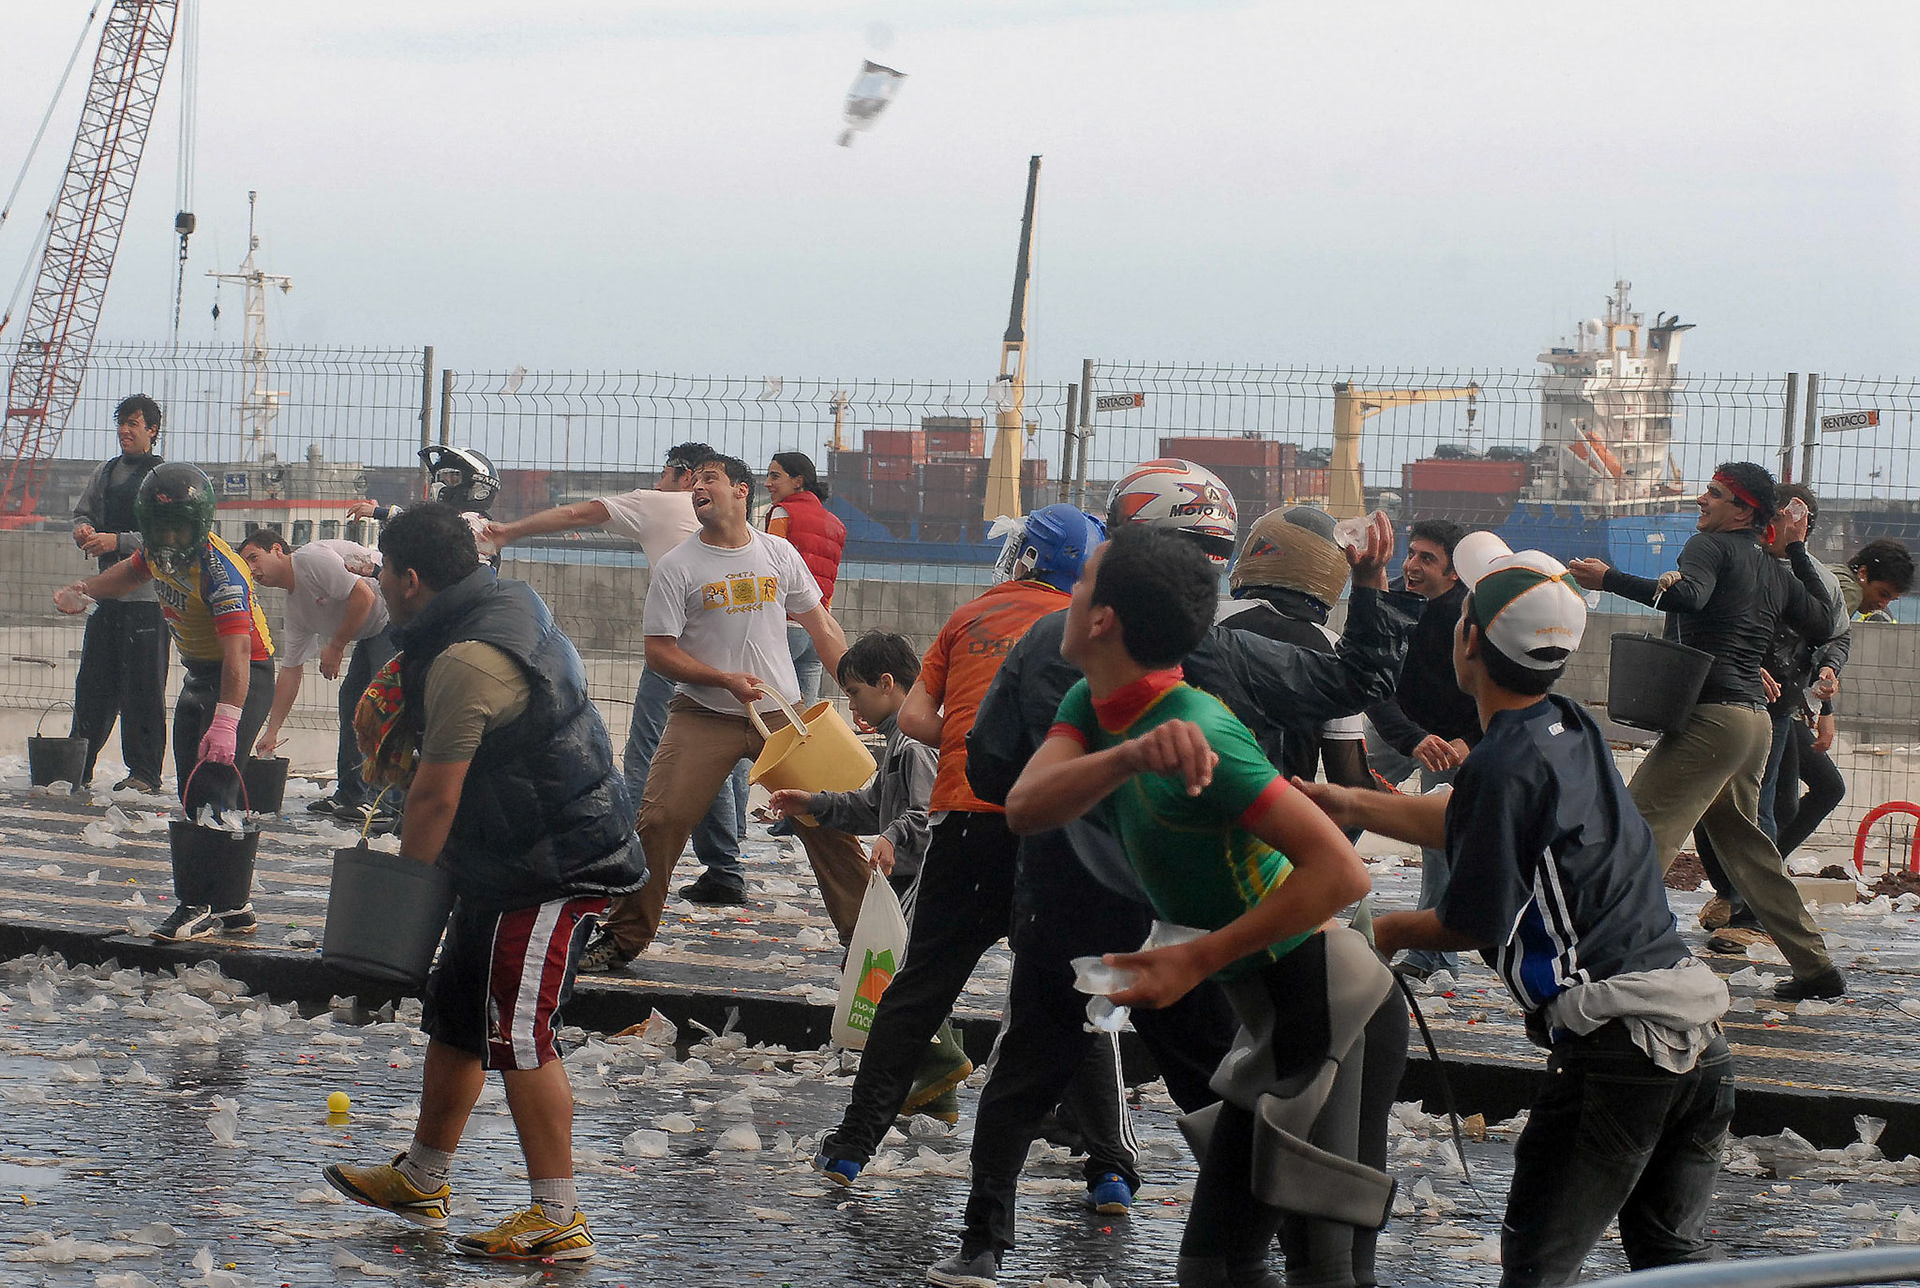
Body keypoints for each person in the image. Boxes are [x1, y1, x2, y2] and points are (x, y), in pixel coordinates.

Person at [935, 471, 1414, 1288]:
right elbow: (1020, 800)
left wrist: (1194, 957)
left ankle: (985, 1238)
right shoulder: (1109, 692)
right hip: (1197, 950)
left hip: (1292, 985)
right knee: (1228, 1186)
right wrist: (1121, 761)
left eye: (1084, 577)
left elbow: (1342, 872)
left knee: (1312, 1248)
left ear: (1109, 607)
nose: (1065, 595)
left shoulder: (1196, 726)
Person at [1303, 534, 1734, 1288]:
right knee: (1672, 1260)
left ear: (1466, 642)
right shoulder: (1566, 725)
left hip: (1619, 1049)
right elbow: (1469, 818)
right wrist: (1341, 800)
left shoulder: (1503, 760)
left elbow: (1469, 922)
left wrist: (1362, 932)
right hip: (1697, 1034)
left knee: (1537, 1267)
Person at [320, 503, 645, 1261]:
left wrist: (402, 910)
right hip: (503, 855)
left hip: (553, 863)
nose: (381, 588)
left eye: (384, 574)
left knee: (521, 1036)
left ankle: (558, 1217)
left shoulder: (469, 660)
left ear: (409, 577)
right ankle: (424, 1175)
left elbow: (432, 798)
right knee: (459, 1016)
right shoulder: (501, 599)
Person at [814, 503, 1121, 1197]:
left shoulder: (969, 617)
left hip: (966, 822)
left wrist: (978, 715)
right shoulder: (1094, 627)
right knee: (1071, 992)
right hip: (1057, 831)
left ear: (1027, 557)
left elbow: (918, 720)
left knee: (919, 992)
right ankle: (1110, 1167)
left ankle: (852, 1145)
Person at [576, 454, 868, 968]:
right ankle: (622, 938)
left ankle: (869, 941)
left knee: (826, 824)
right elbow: (658, 651)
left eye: (711, 479)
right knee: (661, 819)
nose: (698, 488)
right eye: (696, 482)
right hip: (703, 712)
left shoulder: (778, 553)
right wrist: (722, 680)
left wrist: (857, 692)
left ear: (742, 491)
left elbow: (821, 626)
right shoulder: (678, 566)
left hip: (782, 714)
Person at [1570, 462, 1844, 1001]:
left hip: (1713, 718)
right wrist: (1793, 550)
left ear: (1741, 510)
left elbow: (1690, 597)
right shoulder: (1775, 569)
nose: (1702, 499)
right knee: (1749, 850)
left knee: (1636, 831)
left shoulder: (1708, 547)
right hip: (1755, 723)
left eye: (1715, 494)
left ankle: (1616, 954)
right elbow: (1822, 623)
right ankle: (1815, 967)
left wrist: (1609, 580)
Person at [483, 442, 754, 907]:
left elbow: (576, 515)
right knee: (718, 758)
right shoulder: (737, 525)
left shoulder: (655, 504)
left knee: (646, 751)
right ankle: (724, 865)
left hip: (677, 653)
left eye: (665, 471)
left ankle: (621, 855)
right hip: (729, 653)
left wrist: (507, 531)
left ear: (685, 476)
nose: (658, 480)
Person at [55, 462, 276, 941]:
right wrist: (85, 590)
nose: (170, 537)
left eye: (179, 526)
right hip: (200, 673)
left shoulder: (221, 571)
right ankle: (234, 907)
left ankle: (196, 902)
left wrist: (227, 722)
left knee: (211, 785)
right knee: (190, 784)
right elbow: (128, 575)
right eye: (161, 527)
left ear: (199, 523)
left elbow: (239, 656)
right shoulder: (158, 550)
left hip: (242, 677)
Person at [765, 630, 972, 1125]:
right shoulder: (899, 740)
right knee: (917, 973)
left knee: (879, 973)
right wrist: (812, 804)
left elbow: (924, 813)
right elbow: (873, 807)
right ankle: (938, 1092)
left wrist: (892, 837)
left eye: (855, 693)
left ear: (887, 683)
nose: (853, 705)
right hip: (911, 875)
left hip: (920, 876)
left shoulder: (915, 744)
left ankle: (941, 1060)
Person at [1694, 483, 1848, 951]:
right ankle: (1741, 899)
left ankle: (1748, 903)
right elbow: (1707, 620)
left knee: (1771, 807)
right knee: (1722, 805)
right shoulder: (1738, 560)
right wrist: (1741, 661)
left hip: (1781, 708)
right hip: (1733, 700)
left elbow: (1833, 633)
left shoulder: (1811, 575)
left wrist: (1827, 681)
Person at [1364, 518, 1476, 980]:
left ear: (1454, 573)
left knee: (1441, 839)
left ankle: (1432, 953)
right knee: (1349, 801)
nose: (1410, 565)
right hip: (1399, 725)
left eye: (1426, 558)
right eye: (1410, 554)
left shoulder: (1471, 617)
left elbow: (1494, 688)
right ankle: (1300, 902)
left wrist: (1469, 743)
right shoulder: (1391, 600)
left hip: (1453, 740)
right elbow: (1369, 680)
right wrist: (1409, 737)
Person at [237, 528, 397, 830]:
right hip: (370, 631)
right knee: (351, 701)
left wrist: (335, 646)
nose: (252, 570)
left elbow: (362, 594)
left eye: (254, 558)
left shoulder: (311, 559)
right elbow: (291, 669)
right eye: (246, 566)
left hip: (393, 615)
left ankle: (387, 803)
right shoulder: (295, 609)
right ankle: (350, 794)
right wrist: (272, 732)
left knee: (382, 704)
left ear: (277, 550)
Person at [68, 393, 169, 793]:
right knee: (93, 684)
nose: (125, 431)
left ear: (152, 431)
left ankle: (144, 772)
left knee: (142, 689)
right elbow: (83, 513)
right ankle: (79, 764)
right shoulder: (105, 473)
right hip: (104, 600)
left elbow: (166, 538)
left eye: (134, 424)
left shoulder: (162, 478)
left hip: (146, 604)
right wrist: (83, 530)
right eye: (121, 423)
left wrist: (119, 542)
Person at [764, 452, 847, 705]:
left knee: (772, 708)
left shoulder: (782, 513)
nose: (767, 483)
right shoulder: (836, 524)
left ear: (798, 481)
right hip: (819, 628)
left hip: (785, 623)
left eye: (775, 476)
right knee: (807, 715)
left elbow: (770, 568)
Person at [349, 444, 502, 562]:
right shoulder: (459, 522)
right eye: (442, 478)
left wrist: (383, 513)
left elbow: (429, 528)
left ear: (478, 486)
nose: (441, 485)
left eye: (453, 479)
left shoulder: (476, 523)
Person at [1839, 537, 1913, 622]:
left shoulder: (1834, 576)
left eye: (1890, 600)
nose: (1883, 605)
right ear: (1862, 574)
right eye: (1883, 594)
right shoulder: (1850, 592)